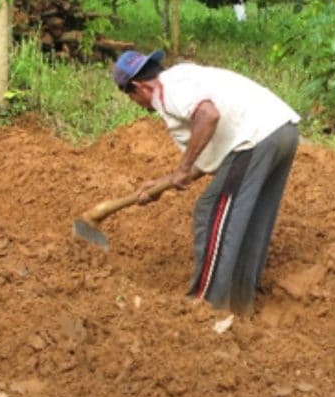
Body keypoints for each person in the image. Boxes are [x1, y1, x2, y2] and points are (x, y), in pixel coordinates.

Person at [112, 49, 300, 316]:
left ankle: (206, 306)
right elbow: (206, 157)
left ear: (138, 87)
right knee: (252, 216)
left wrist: (182, 167)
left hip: (255, 140)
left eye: (130, 97)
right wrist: (163, 183)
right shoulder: (184, 78)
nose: (136, 104)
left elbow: (209, 116)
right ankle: (238, 303)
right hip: (282, 132)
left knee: (212, 210)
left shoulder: (169, 91)